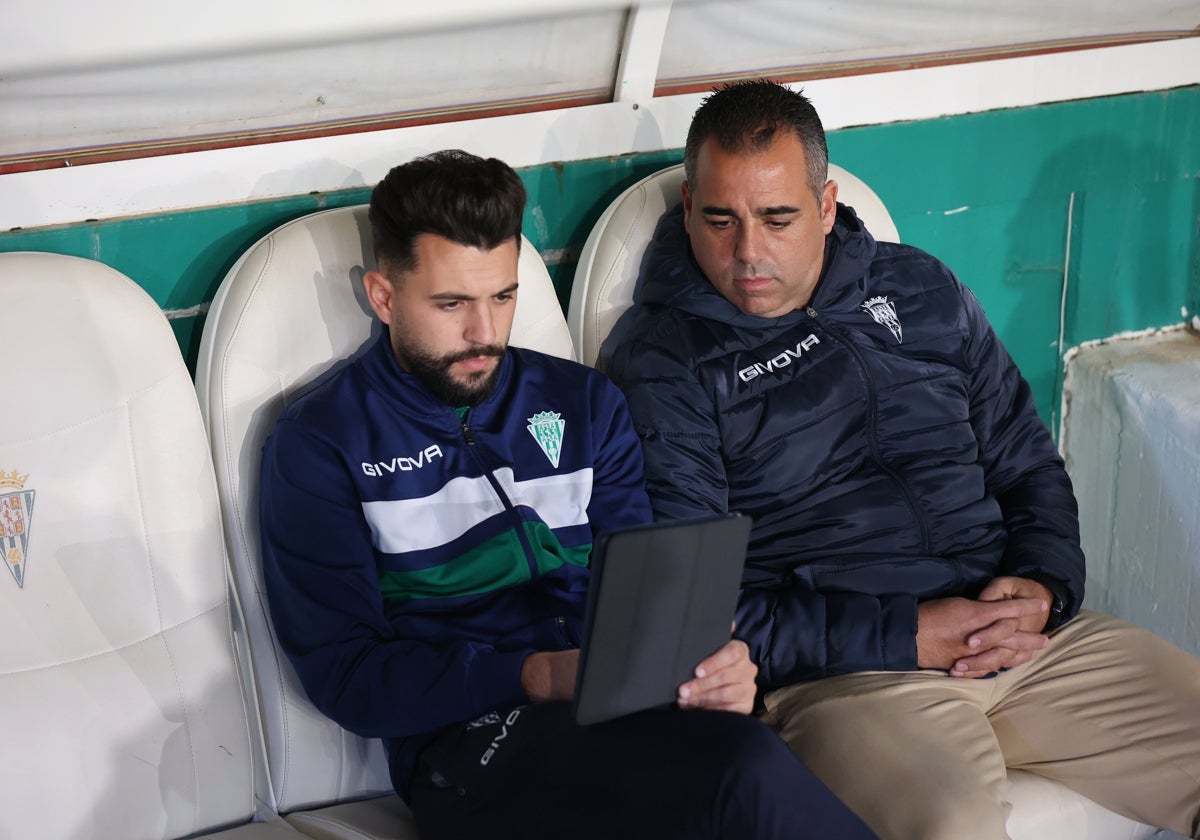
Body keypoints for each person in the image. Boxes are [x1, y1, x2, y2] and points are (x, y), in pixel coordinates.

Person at [604, 80, 1200, 840]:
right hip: (854, 679)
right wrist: (907, 632)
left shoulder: (918, 286)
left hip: (1025, 641)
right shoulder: (663, 363)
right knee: (953, 828)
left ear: (825, 206)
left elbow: (1024, 458)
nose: (747, 252)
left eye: (777, 218)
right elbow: (697, 615)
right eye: (720, 220)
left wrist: (1045, 583)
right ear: (687, 206)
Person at [258, 149, 876, 840]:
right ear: (383, 296)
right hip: (470, 745)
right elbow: (347, 675)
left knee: (738, 765)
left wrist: (709, 665)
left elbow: (644, 600)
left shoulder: (582, 404)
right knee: (739, 773)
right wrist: (535, 676)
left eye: (502, 296)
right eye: (451, 304)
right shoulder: (323, 443)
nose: (483, 334)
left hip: (624, 715)